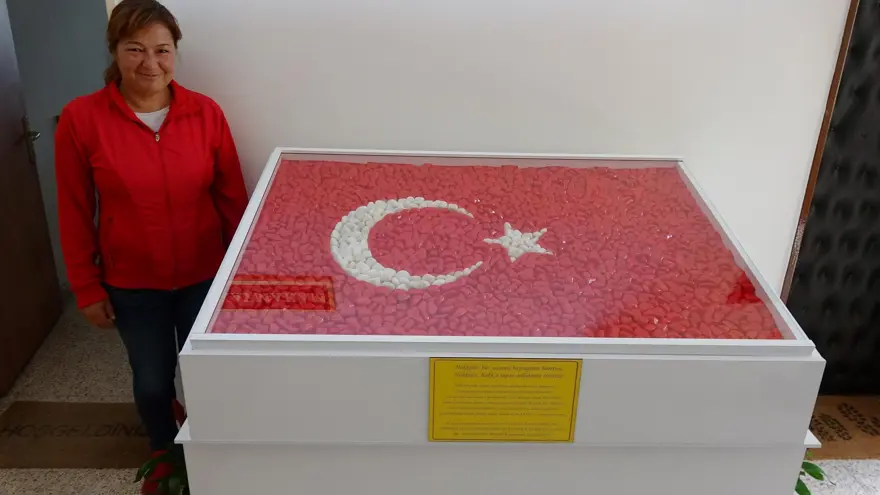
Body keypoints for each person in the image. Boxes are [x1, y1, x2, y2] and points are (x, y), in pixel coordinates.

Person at [54, 0, 248, 491]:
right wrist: (86, 287)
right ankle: (164, 455)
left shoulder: (205, 113)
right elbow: (74, 210)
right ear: (115, 51)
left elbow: (231, 199)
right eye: (135, 49)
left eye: (162, 50)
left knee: (209, 378)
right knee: (153, 383)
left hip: (204, 276)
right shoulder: (82, 118)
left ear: (175, 52)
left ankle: (213, 458)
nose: (151, 63)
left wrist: (241, 275)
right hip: (132, 283)